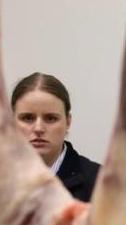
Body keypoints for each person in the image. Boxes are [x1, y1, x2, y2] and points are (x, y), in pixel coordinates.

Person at [11, 72, 100, 202]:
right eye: (28, 118)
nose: (38, 128)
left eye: (50, 118)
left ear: (68, 122)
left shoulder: (100, 184)